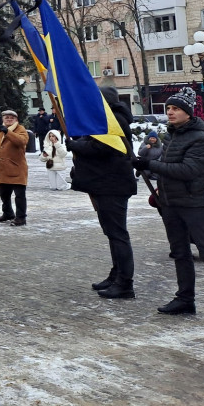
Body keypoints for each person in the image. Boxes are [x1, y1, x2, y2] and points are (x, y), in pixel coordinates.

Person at [132, 86, 204, 327]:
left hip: (193, 204)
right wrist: (146, 167)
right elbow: (167, 167)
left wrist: (151, 164)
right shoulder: (172, 134)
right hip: (171, 203)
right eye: (168, 108)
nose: (170, 112)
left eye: (175, 108)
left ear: (188, 112)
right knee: (180, 253)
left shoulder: (200, 137)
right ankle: (185, 298)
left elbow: (189, 171)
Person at [69, 86, 137, 300]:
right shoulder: (110, 118)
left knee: (118, 235)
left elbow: (103, 148)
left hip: (112, 185)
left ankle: (125, 283)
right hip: (105, 183)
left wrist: (76, 146)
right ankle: (116, 274)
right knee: (112, 233)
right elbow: (96, 143)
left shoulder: (113, 120)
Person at [0, 110, 30, 226]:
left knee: (19, 196)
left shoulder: (21, 129)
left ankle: (21, 217)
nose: (9, 120)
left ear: (16, 120)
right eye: (7, 118)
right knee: (4, 194)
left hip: (17, 168)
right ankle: (8, 213)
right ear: (3, 119)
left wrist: (8, 132)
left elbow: (21, 142)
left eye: (12, 118)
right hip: (2, 169)